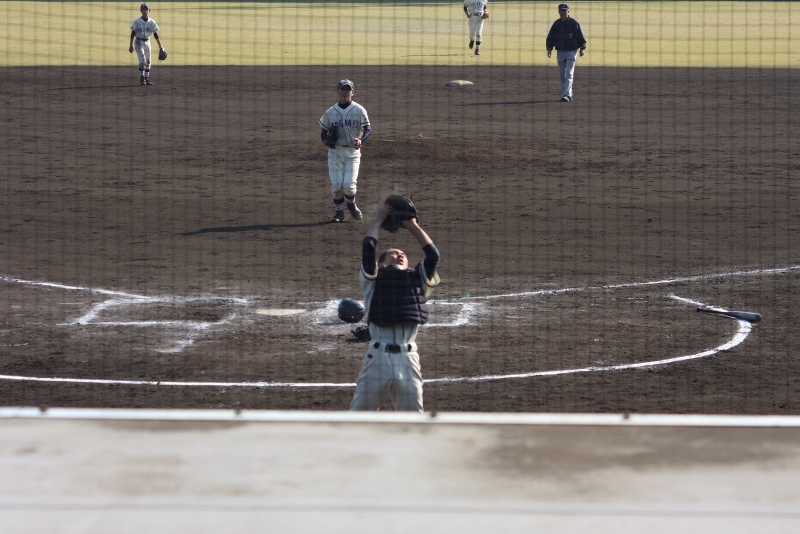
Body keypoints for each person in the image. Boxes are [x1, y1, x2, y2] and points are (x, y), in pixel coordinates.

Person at [349, 203, 441, 412]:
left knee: (412, 420)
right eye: (393, 253)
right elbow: (368, 247)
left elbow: (433, 256)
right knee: (358, 418)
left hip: (408, 358)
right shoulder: (372, 280)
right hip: (378, 357)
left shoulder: (418, 279)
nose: (400, 255)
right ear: (380, 264)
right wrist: (378, 221)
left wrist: (412, 226)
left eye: (403, 254)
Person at [319, 80, 372, 223]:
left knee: (348, 186)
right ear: (338, 92)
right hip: (335, 153)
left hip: (353, 153)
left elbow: (368, 129)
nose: (345, 92)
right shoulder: (330, 112)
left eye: (348, 90)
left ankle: (351, 204)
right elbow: (323, 132)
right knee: (337, 187)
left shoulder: (359, 110)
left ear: (352, 92)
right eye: (343, 89)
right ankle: (339, 214)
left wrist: (361, 140)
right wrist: (326, 141)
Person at [546, 3, 587, 102]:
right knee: (561, 74)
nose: (563, 12)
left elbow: (581, 36)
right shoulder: (556, 24)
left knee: (568, 73)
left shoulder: (574, 23)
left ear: (568, 11)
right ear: (558, 12)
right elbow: (551, 37)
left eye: (565, 10)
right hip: (560, 52)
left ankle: (567, 95)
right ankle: (567, 92)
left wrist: (582, 48)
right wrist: (549, 48)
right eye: (561, 11)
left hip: (571, 52)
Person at [129, 3, 166, 86]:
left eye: (146, 9)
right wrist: (131, 45)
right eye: (143, 9)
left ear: (149, 11)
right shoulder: (137, 21)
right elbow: (132, 33)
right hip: (138, 42)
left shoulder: (152, 22)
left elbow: (156, 35)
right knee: (142, 60)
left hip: (148, 42)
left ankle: (146, 79)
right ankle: (142, 79)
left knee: (148, 62)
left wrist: (161, 47)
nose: (145, 11)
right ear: (141, 11)